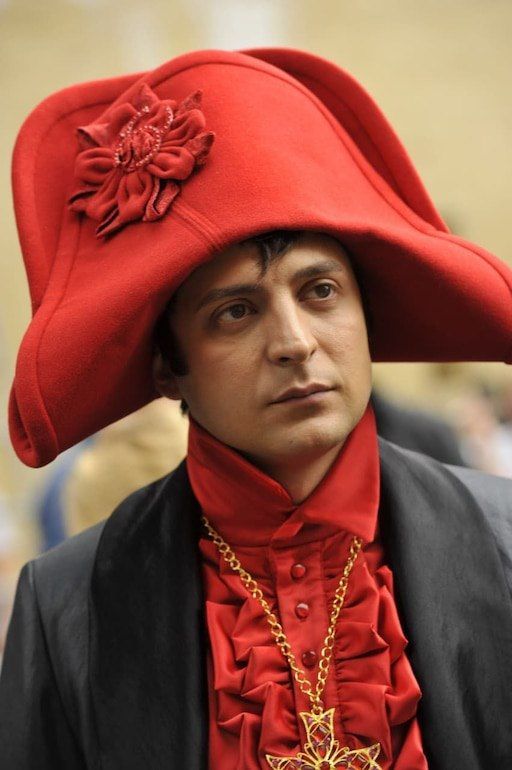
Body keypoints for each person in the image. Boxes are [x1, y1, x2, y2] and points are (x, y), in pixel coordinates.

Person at [1, 48, 511, 770]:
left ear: (367, 315)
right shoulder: (64, 606)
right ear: (166, 367)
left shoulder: (504, 539)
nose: (295, 343)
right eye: (235, 312)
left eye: (320, 291)